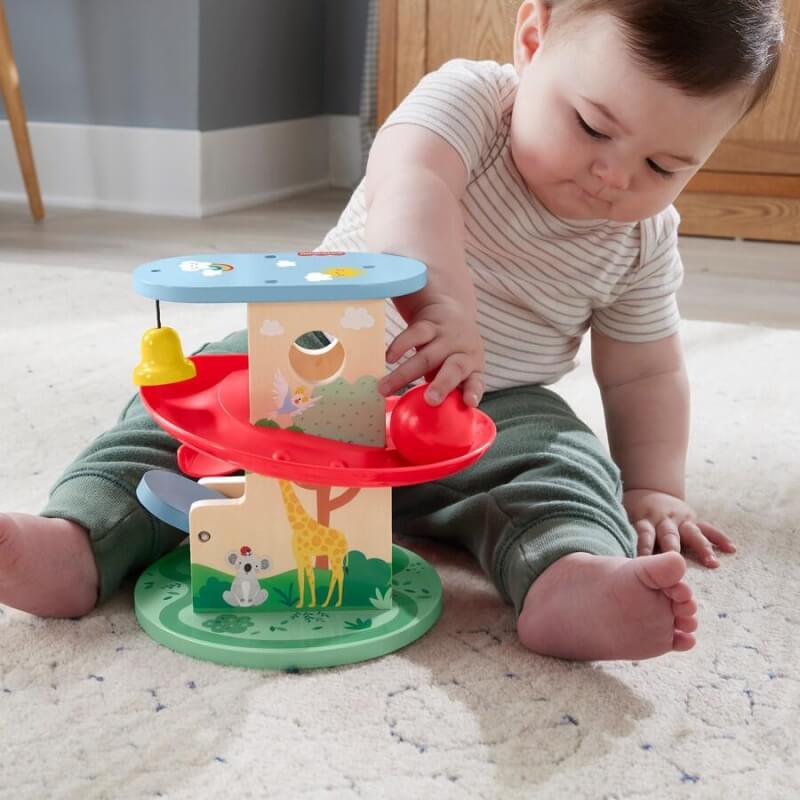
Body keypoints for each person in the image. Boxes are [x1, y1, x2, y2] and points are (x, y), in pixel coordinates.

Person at [0, 0, 783, 660]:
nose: (614, 177)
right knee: (181, 409)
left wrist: (653, 487)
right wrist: (443, 301)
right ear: (533, 42)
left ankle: (568, 577)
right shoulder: (471, 103)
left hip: (483, 413)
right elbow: (411, 183)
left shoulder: (644, 240)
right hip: (306, 370)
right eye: (592, 126)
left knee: (566, 465)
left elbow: (645, 372)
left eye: (664, 166)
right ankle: (77, 537)